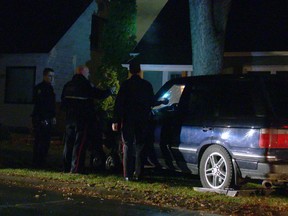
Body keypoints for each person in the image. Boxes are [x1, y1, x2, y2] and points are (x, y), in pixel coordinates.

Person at [61, 65, 114, 174]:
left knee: (68, 143)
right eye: (88, 72)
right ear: (83, 72)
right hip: (82, 119)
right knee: (79, 144)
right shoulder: (85, 84)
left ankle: (66, 167)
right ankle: (76, 168)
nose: (88, 75)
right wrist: (109, 91)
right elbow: (98, 94)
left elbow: (63, 103)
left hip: (69, 119)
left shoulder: (68, 85)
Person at [112, 62, 154, 181]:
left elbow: (119, 103)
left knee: (128, 145)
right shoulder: (146, 85)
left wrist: (116, 120)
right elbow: (152, 101)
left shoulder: (126, 85)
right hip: (142, 119)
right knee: (141, 145)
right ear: (140, 70)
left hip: (128, 119)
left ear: (130, 71)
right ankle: (139, 173)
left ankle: (127, 174)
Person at [31, 67, 56, 168]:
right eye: (50, 76)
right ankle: (38, 161)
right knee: (41, 140)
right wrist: (45, 118)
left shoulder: (49, 88)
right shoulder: (41, 88)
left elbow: (51, 104)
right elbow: (41, 105)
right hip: (41, 118)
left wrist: (53, 116)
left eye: (53, 76)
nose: (52, 78)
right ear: (45, 76)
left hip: (46, 117)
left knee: (44, 140)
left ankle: (41, 160)